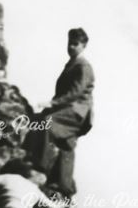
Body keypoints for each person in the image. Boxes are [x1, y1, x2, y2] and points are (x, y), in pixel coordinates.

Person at [28, 27, 95, 197]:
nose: (71, 47)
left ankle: (40, 168)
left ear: (84, 45)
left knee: (47, 123)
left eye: (75, 44)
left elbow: (75, 93)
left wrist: (52, 103)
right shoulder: (72, 64)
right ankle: (65, 187)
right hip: (73, 110)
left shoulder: (83, 66)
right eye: (69, 43)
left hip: (77, 111)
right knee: (67, 145)